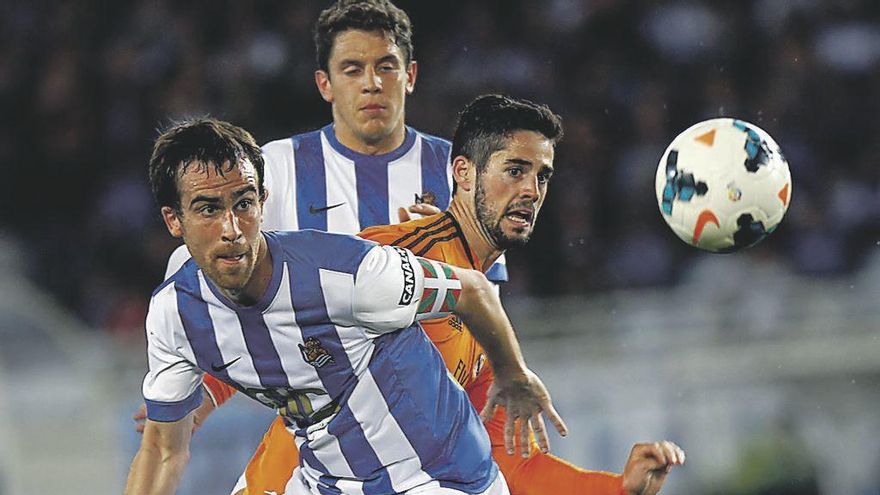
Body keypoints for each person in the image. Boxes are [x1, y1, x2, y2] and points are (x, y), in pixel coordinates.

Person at [206, 96, 685, 495]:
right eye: (514, 170)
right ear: (464, 172)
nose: (531, 190)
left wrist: (619, 487)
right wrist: (206, 392)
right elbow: (277, 304)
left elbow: (512, 467)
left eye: (542, 176)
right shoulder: (401, 255)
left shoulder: (483, 327)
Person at [125, 117, 566, 495]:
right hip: (331, 480)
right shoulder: (175, 314)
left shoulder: (345, 274)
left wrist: (512, 373)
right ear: (173, 221)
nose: (231, 228)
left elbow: (473, 289)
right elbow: (164, 449)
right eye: (207, 209)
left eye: (243, 203)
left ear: (263, 203)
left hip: (440, 478)